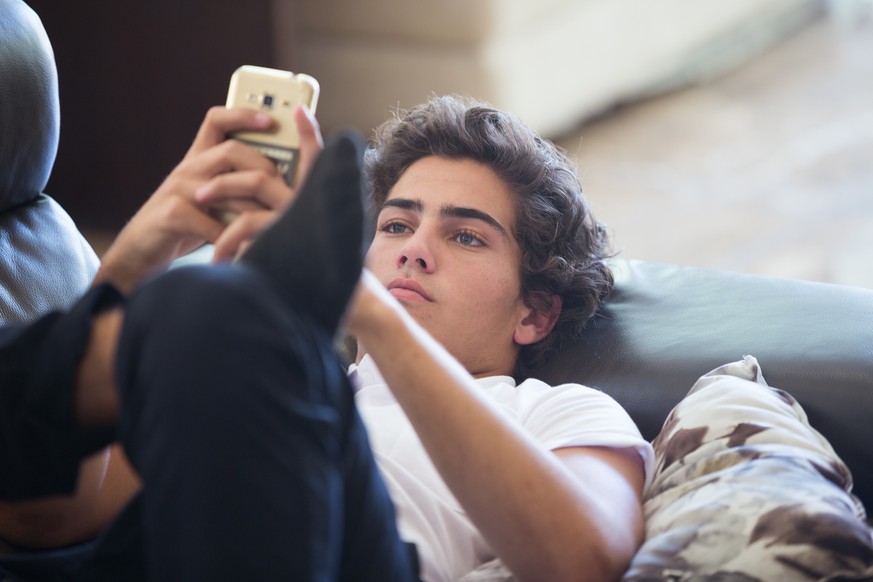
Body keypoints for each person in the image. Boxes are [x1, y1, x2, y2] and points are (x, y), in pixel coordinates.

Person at [0, 94, 652, 581]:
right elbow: (39, 517)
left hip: (353, 559)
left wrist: (373, 316)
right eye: (394, 226)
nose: (414, 252)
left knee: (216, 305)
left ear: (532, 314)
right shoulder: (248, 373)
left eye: (464, 236)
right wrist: (136, 255)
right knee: (202, 312)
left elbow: (584, 558)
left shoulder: (554, 411)